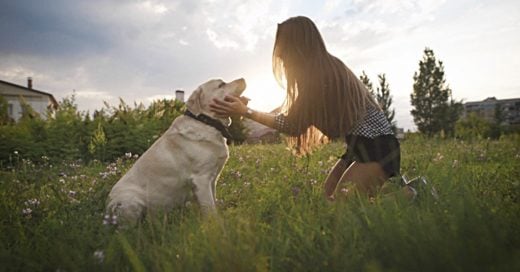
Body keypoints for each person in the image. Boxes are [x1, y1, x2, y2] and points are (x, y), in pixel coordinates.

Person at [210, 16, 400, 200]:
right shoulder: (323, 67)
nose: (279, 54)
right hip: (359, 146)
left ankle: (411, 194)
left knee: (343, 207)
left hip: (377, 147)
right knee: (327, 199)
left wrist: (246, 112)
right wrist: (249, 110)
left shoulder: (319, 74)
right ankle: (404, 190)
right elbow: (295, 114)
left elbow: (294, 125)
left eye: (282, 47)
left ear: (296, 46)